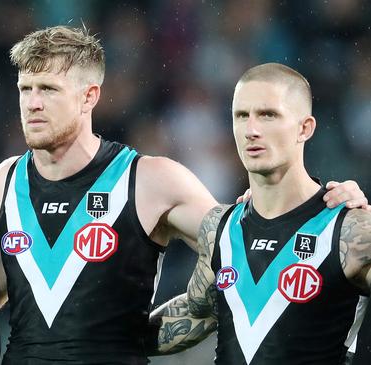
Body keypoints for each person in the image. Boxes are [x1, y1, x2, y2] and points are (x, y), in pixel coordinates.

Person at [0, 26, 366, 364]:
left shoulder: (151, 180)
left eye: (47, 89)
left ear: (89, 96)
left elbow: (247, 248)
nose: (33, 103)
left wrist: (327, 212)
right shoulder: (6, 180)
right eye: (25, 89)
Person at [151, 63, 370, 364]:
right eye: (241, 116)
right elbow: (195, 312)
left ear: (304, 128)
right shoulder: (221, 227)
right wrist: (96, 331)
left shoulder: (350, 229)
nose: (251, 130)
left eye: (268, 115)